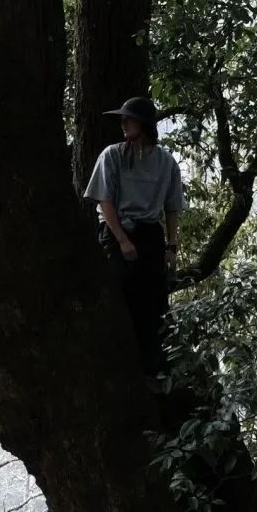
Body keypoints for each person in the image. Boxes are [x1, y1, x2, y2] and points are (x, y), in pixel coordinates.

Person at [84, 95, 184, 378]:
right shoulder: (113, 155)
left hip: (150, 233)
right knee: (120, 295)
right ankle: (117, 365)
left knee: (154, 302)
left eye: (128, 119)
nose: (123, 124)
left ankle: (155, 368)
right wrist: (122, 240)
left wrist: (171, 245)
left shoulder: (165, 162)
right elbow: (104, 201)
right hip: (117, 232)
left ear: (143, 124)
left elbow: (172, 206)